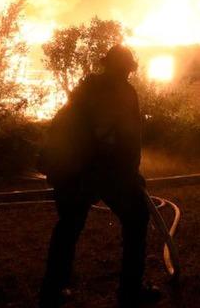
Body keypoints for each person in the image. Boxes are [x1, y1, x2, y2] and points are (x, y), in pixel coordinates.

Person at [39, 45, 161, 307]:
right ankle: (130, 291)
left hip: (72, 169)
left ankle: (53, 289)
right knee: (137, 218)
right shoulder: (125, 93)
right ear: (126, 68)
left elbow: (64, 123)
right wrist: (131, 174)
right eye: (127, 68)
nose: (128, 73)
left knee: (69, 226)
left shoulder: (86, 88)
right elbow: (130, 139)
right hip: (103, 170)